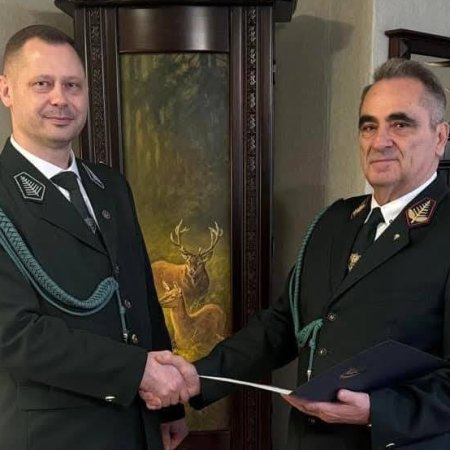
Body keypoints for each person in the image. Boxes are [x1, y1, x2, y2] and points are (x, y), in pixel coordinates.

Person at [146, 57, 450, 449]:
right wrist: (198, 377)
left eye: (400, 124)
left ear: (440, 137)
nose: (380, 141)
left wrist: (378, 411)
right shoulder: (335, 221)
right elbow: (280, 327)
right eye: (369, 126)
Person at [0, 25, 199, 450]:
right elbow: (15, 335)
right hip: (56, 436)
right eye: (42, 84)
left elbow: (142, 298)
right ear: (6, 91)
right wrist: (138, 372)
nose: (60, 98)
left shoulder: (110, 186)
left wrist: (168, 408)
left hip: (138, 425)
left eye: (72, 85)